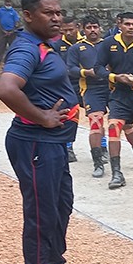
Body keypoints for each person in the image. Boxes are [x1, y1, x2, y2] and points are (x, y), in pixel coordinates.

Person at [0, 0, 87, 264]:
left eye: (59, 12)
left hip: (55, 143)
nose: (56, 18)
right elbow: (6, 88)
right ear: (28, 15)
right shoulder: (26, 48)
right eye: (48, 13)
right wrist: (42, 117)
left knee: (62, 204)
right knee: (41, 213)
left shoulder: (45, 44)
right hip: (35, 142)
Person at [94, 11, 133, 188]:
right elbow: (98, 68)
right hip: (119, 95)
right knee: (114, 128)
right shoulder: (108, 44)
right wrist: (115, 77)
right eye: (127, 24)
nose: (131, 27)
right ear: (119, 25)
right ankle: (116, 174)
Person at [66, 15, 110, 177]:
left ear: (100, 28)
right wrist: (86, 72)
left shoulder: (108, 44)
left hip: (112, 86)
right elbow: (70, 69)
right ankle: (98, 163)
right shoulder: (76, 48)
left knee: (123, 123)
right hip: (91, 88)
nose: (93, 30)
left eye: (95, 27)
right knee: (96, 122)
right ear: (83, 29)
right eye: (89, 27)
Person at [52, 17, 82, 162]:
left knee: (97, 114)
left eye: (71, 29)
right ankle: (68, 147)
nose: (68, 32)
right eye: (65, 30)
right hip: (66, 85)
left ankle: (101, 148)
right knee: (69, 115)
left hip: (87, 82)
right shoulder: (56, 45)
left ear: (78, 27)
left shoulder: (86, 42)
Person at [0, 0, 20, 66]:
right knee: (1, 46)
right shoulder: (0, 11)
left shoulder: (14, 12)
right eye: (7, 3)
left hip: (12, 32)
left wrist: (12, 31)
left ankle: (14, 59)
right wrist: (3, 31)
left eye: (10, 3)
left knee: (13, 46)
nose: (8, 5)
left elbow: (16, 23)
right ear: (5, 3)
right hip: (2, 31)